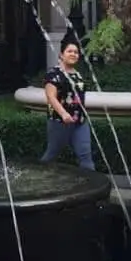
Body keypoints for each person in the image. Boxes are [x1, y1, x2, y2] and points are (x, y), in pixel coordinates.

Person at [40, 35, 94, 171]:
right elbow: (51, 97)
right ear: (61, 54)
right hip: (59, 121)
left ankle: (89, 181)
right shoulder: (53, 74)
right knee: (52, 153)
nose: (73, 54)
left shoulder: (77, 75)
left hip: (80, 121)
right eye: (69, 51)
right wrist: (63, 114)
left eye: (76, 52)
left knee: (85, 155)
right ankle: (38, 175)